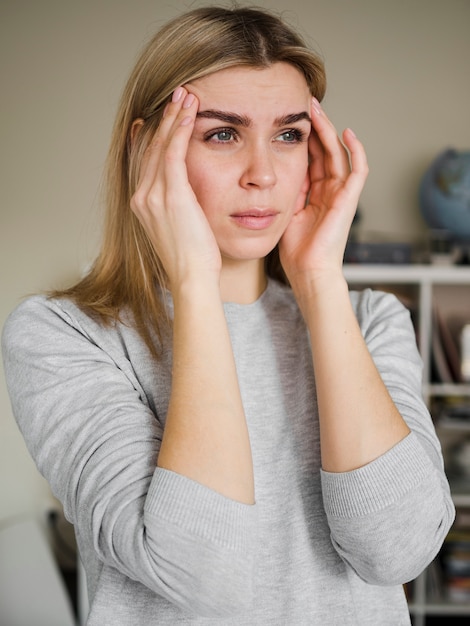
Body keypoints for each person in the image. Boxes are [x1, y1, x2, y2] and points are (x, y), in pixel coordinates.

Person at [1, 5, 455, 625]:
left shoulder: (372, 322)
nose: (263, 174)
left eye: (289, 135)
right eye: (222, 134)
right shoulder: (64, 335)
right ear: (146, 150)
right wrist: (195, 282)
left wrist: (320, 282)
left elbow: (395, 551)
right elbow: (202, 572)